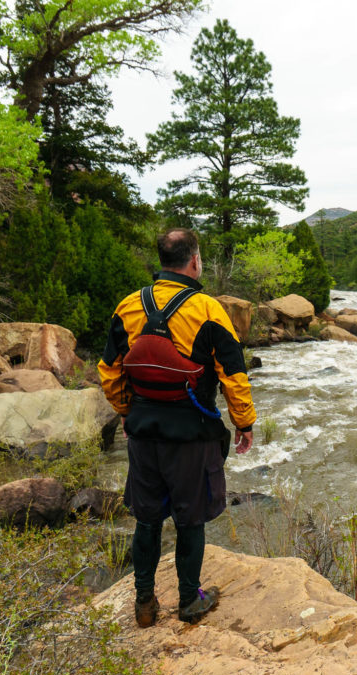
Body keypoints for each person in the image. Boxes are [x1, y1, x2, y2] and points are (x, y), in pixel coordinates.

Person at [98, 228, 255, 627]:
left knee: (147, 519)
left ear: (162, 260)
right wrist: (244, 422)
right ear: (195, 261)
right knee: (190, 519)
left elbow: (109, 369)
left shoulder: (129, 306)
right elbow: (233, 373)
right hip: (193, 436)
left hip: (143, 431)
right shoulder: (208, 309)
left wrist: (124, 411)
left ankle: (145, 604)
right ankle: (190, 600)